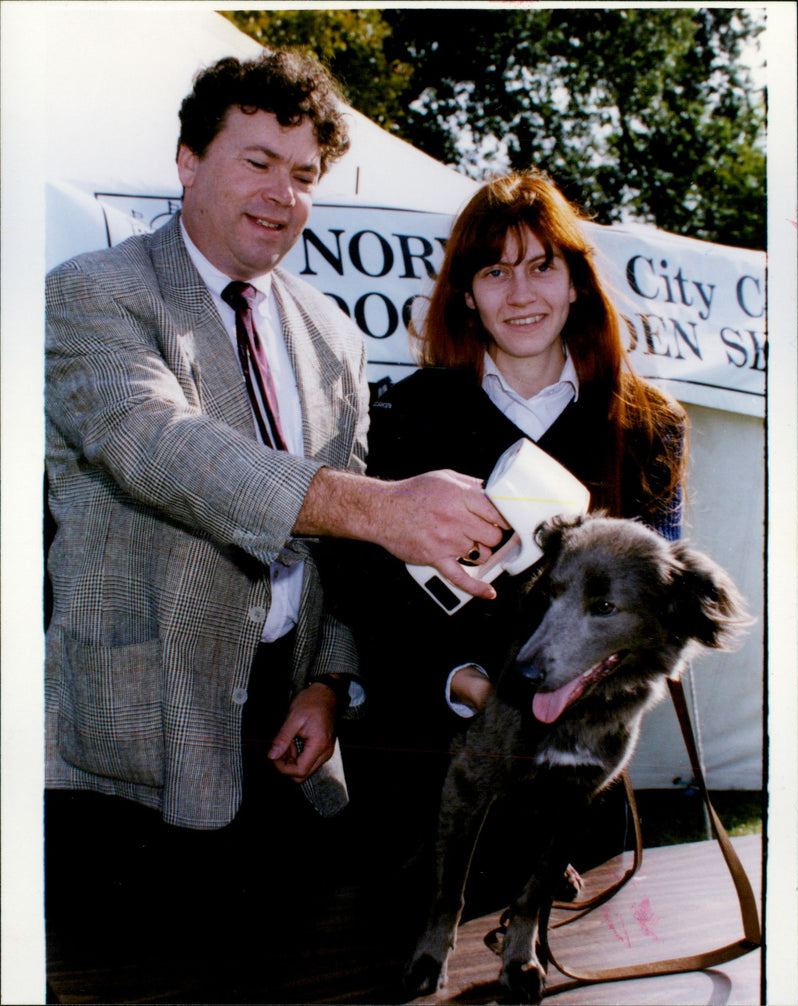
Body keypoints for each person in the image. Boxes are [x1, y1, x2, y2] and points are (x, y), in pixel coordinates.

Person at [43, 50, 507, 994]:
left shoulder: (333, 331)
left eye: (303, 176)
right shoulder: (94, 291)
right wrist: (383, 508)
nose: (282, 195)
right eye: (257, 161)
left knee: (299, 970)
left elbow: (335, 548)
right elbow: (157, 445)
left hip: (286, 736)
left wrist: (332, 679)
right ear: (186, 161)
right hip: (127, 744)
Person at [333, 170, 687, 877]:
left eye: (540, 267)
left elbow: (662, 612)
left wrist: (583, 696)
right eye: (495, 271)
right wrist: (466, 683)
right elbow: (362, 592)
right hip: (425, 790)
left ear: (576, 282)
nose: (520, 294)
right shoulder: (402, 418)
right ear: (466, 293)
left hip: (577, 795)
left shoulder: (650, 426)